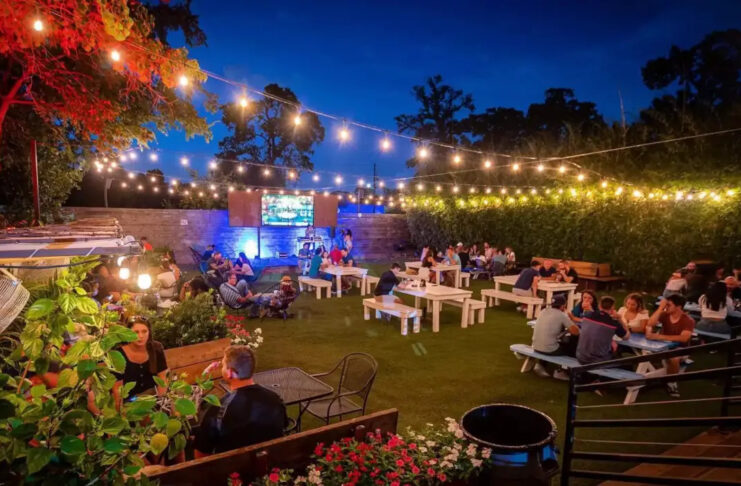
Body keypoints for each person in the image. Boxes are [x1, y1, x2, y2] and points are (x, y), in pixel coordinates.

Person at [194, 346, 286, 455]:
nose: (221, 368)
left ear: (230, 373)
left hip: (233, 470)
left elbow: (201, 454)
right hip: (271, 466)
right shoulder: (275, 399)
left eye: (223, 365)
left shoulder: (219, 410)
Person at [646, 294, 695, 397]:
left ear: (679, 307)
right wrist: (660, 308)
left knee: (674, 358)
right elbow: (650, 323)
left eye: (669, 305)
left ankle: (671, 383)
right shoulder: (665, 315)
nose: (666, 307)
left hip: (681, 348)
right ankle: (652, 375)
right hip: (663, 346)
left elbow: (684, 338)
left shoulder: (688, 320)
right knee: (645, 352)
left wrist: (659, 337)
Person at [114, 317, 168, 401]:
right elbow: (117, 389)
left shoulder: (156, 348)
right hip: (129, 403)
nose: (141, 336)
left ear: (149, 332)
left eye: (144, 331)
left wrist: (161, 402)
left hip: (153, 398)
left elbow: (162, 378)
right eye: (136, 332)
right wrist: (122, 412)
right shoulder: (118, 354)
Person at [532, 295, 580, 380]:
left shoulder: (543, 311)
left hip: (535, 346)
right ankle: (562, 371)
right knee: (572, 344)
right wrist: (572, 320)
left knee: (550, 341)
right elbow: (576, 332)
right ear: (563, 306)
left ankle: (540, 365)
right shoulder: (561, 315)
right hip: (550, 350)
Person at [576, 296, 629, 365]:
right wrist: (619, 318)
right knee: (622, 359)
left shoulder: (587, 315)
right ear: (613, 307)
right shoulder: (613, 323)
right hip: (598, 361)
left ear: (599, 306)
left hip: (580, 357)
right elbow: (626, 337)